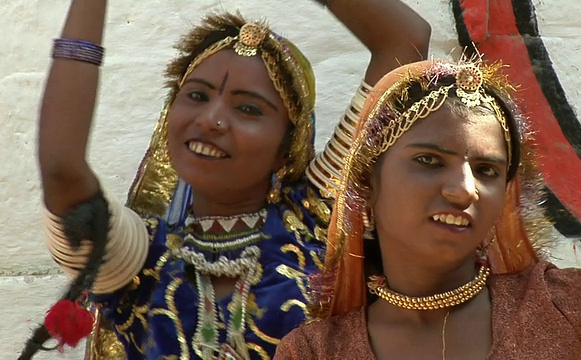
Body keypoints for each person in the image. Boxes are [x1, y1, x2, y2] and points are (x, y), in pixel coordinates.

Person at [19, 1, 432, 359]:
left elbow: (406, 40)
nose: (212, 119)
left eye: (248, 109)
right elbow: (62, 169)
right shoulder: (138, 258)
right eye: (197, 96)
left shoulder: (322, 218)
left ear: (288, 145)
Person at [274, 59, 581, 359]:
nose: (464, 190)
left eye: (487, 171)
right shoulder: (316, 352)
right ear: (367, 184)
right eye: (429, 160)